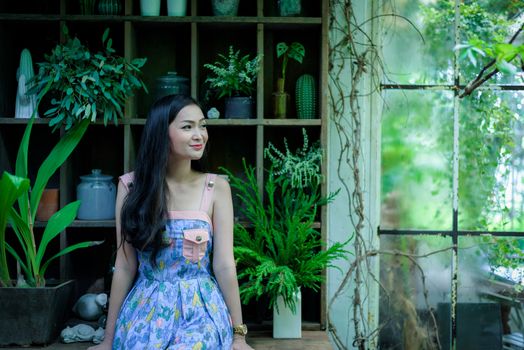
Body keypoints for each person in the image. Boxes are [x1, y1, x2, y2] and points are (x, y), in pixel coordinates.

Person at [87, 94, 253, 350]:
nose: (200, 135)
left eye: (203, 125)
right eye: (188, 127)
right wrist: (107, 340)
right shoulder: (131, 187)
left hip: (200, 312)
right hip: (145, 309)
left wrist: (239, 336)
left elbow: (224, 265)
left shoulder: (216, 188)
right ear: (161, 133)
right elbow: (124, 266)